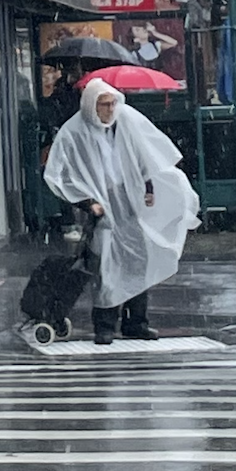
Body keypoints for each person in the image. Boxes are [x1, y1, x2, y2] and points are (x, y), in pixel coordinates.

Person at [43, 77, 200, 344]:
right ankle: (105, 325)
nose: (109, 110)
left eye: (112, 103)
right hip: (102, 208)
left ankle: (136, 321)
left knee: (138, 261)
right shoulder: (75, 132)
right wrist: (87, 202)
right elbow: (61, 174)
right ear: (92, 105)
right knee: (108, 266)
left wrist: (148, 187)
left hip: (127, 202)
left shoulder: (123, 126)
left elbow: (142, 156)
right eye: (104, 104)